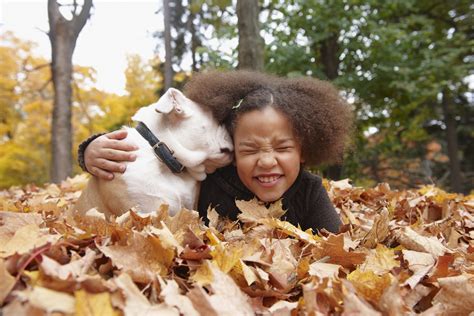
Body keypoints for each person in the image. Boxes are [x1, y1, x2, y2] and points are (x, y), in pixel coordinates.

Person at [78, 70, 353, 234]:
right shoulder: (212, 179)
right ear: (231, 150)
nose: (267, 161)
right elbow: (160, 145)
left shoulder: (310, 191)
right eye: (249, 149)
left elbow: (339, 253)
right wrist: (90, 149)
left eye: (282, 148)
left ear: (304, 151)